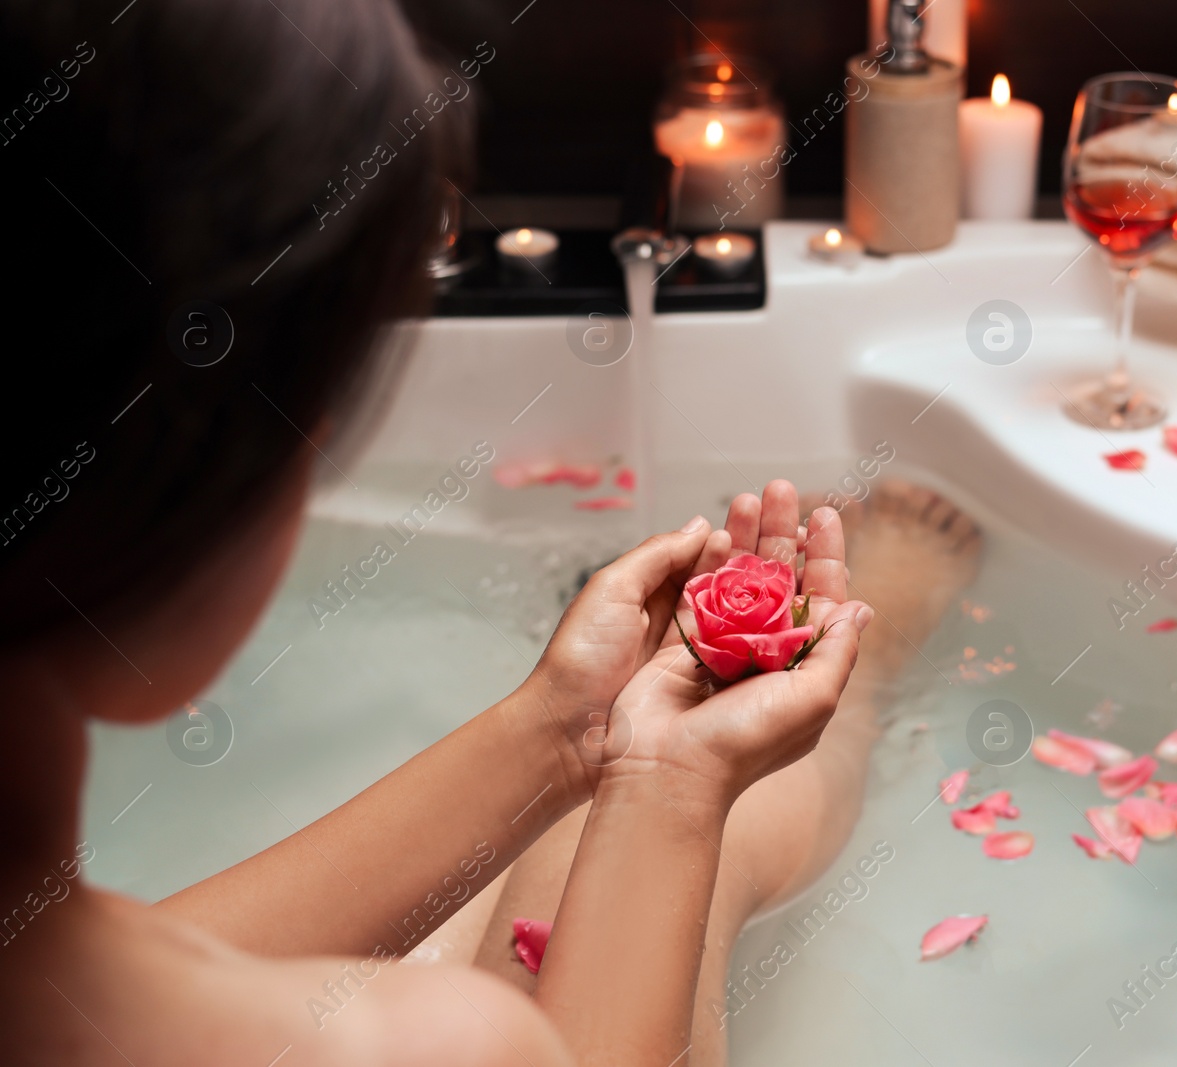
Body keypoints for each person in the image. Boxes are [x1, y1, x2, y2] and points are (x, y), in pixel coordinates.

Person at [0, 2, 979, 1063]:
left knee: (569, 833)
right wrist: (671, 787)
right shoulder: (443, 1043)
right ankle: (860, 677)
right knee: (584, 870)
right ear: (178, 504)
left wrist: (562, 729)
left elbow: (124, 967)